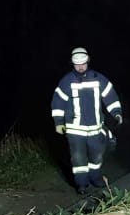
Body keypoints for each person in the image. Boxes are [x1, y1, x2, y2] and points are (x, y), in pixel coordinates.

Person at [50, 46, 123, 196]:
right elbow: (57, 102)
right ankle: (82, 184)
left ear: (88, 61)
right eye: (77, 64)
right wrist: (58, 122)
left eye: (83, 63)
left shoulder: (98, 78)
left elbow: (110, 97)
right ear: (72, 63)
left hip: (96, 129)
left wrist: (117, 113)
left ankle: (95, 178)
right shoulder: (66, 82)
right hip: (75, 130)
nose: (81, 67)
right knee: (78, 159)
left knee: (96, 156)